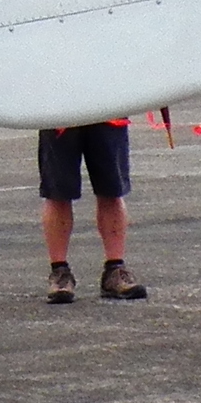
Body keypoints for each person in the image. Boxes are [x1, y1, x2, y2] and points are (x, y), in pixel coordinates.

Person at [36, 119, 148, 304]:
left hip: (108, 109)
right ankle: (59, 272)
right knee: (57, 192)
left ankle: (115, 269)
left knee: (112, 190)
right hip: (58, 110)